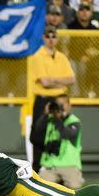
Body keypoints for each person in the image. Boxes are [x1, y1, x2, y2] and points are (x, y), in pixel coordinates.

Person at [29, 26, 75, 171]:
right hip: (43, 99)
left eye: (53, 36)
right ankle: (36, 169)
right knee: (38, 134)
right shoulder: (38, 56)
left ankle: (57, 170)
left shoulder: (61, 56)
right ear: (43, 38)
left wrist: (52, 80)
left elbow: (72, 79)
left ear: (57, 38)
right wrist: (61, 81)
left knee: (59, 133)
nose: (50, 39)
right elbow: (44, 82)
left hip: (59, 100)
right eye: (48, 36)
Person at [30, 94, 84, 189]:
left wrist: (57, 118)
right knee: (40, 188)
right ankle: (58, 184)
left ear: (69, 105)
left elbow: (65, 134)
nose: (61, 107)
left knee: (74, 187)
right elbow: (36, 133)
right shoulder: (49, 120)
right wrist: (45, 115)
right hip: (50, 166)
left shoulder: (74, 122)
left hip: (69, 166)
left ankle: (66, 181)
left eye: (63, 104)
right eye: (58, 105)